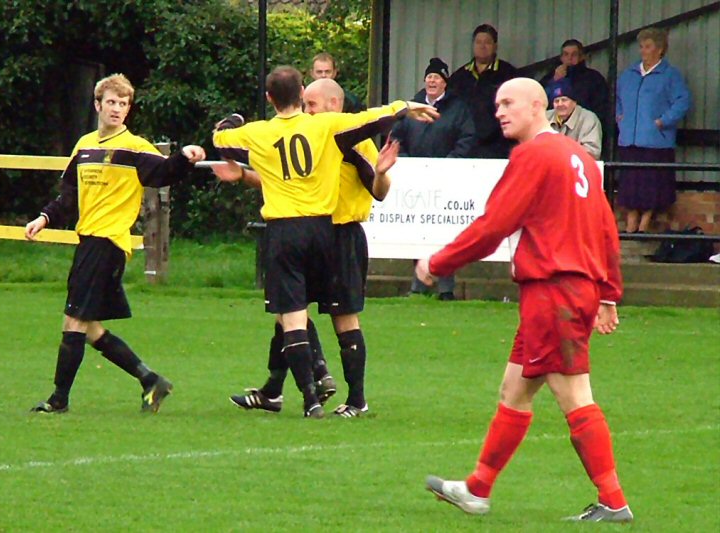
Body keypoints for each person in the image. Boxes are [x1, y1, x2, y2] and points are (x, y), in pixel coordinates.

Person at [417, 78, 633, 523]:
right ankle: (477, 489)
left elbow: (495, 224)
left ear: (539, 106)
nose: (500, 111)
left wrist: (439, 262)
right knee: (514, 389)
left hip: (554, 288)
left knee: (574, 395)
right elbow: (606, 230)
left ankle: (614, 501)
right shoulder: (580, 158)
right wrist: (609, 293)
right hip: (571, 288)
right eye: (497, 104)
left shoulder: (532, 154)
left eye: (509, 102)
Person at [213, 66, 437, 418]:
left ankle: (353, 397)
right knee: (288, 312)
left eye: (314, 103)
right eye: (306, 101)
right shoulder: (315, 131)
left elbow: (378, 193)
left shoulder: (345, 136)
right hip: (316, 231)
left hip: (341, 235)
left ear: (335, 103)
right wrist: (243, 174)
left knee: (333, 317)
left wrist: (380, 172)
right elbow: (280, 180)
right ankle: (279, 388)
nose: (309, 108)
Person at [25, 73, 207, 414]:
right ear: (98, 104)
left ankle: (58, 400)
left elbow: (165, 173)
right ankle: (150, 380)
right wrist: (44, 218)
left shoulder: (134, 147)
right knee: (89, 326)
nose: (117, 109)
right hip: (88, 240)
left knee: (74, 321)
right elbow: (69, 196)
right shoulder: (84, 145)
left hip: (108, 242)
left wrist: (184, 157)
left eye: (123, 104)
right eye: (111, 102)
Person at [391, 57, 475, 300]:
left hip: (448, 180)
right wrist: (407, 162)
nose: (432, 80)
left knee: (445, 234)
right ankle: (418, 285)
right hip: (416, 182)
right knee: (419, 231)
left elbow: (467, 138)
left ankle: (445, 287)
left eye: (437, 77)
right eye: (429, 76)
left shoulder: (459, 108)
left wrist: (450, 164)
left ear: (445, 82)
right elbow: (396, 138)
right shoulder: (411, 107)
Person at [616, 27, 690, 233]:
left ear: (660, 50)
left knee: (651, 185)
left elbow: (682, 101)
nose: (643, 51)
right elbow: (618, 99)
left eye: (648, 46)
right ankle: (632, 220)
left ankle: (645, 221)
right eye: (641, 46)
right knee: (630, 184)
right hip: (630, 138)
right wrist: (620, 117)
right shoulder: (629, 74)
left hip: (656, 141)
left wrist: (663, 121)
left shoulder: (670, 75)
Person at [448, 24, 518, 158]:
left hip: (499, 147)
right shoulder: (460, 76)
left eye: (487, 42)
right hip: (465, 147)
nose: (482, 46)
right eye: (478, 42)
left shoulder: (508, 73)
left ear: (495, 46)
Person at [540, 39, 610, 131]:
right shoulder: (550, 77)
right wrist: (555, 81)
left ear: (581, 57)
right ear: (561, 58)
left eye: (574, 54)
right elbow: (540, 101)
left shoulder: (593, 78)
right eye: (566, 54)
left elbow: (602, 108)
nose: (569, 58)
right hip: (555, 127)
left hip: (582, 127)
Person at [546, 78, 603, 159]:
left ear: (574, 102)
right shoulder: (545, 117)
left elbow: (592, 152)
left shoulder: (589, 119)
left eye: (564, 100)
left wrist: (561, 151)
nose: (560, 104)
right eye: (556, 101)